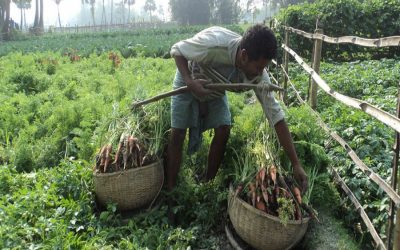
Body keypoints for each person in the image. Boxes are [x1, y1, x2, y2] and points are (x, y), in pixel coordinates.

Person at [166, 24, 308, 195]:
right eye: (258, 67)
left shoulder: (259, 76)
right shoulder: (214, 46)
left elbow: (277, 118)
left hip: (214, 85)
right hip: (189, 76)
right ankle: (171, 190)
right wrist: (189, 81)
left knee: (224, 128)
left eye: (264, 67)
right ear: (244, 56)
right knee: (178, 132)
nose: (260, 72)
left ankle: (206, 184)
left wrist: (296, 164)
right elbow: (177, 50)